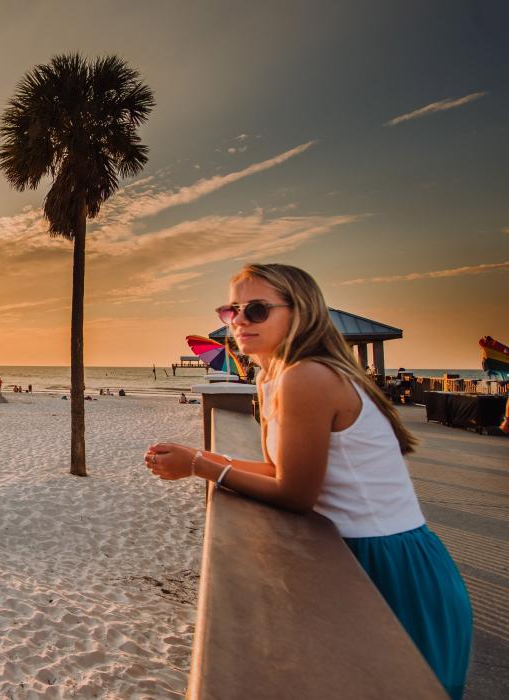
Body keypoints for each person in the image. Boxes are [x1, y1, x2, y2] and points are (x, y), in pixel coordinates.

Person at [143, 263, 471, 698]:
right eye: (231, 310)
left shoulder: (307, 377)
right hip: (364, 552)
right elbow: (281, 470)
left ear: (300, 313)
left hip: (387, 561)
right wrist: (196, 457)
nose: (238, 321)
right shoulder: (274, 376)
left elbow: (294, 494)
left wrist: (201, 467)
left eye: (256, 310)